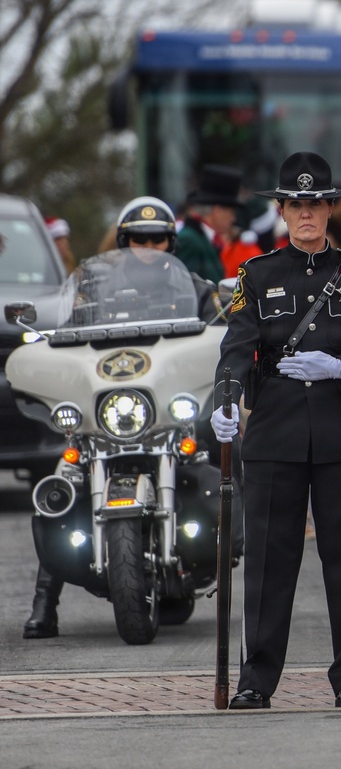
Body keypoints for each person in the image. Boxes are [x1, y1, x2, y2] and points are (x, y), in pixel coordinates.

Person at [210, 151, 341, 710]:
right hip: (277, 436)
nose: (307, 215)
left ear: (330, 207)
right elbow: (235, 351)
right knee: (269, 564)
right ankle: (256, 680)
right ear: (284, 210)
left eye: (316, 204)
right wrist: (224, 402)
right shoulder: (258, 274)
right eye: (297, 205)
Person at [23, 196, 225, 639]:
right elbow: (64, 333)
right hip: (111, 408)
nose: (147, 245)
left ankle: (239, 551)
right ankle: (43, 606)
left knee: (226, 447)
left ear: (171, 241)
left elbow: (219, 332)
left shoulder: (194, 287)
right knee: (63, 482)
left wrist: (224, 324)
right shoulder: (92, 288)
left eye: (157, 238)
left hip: (167, 409)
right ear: (124, 240)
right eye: (138, 238)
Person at [176, 164, 243, 283]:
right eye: (231, 212)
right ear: (217, 211)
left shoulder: (202, 238)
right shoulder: (190, 240)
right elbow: (187, 288)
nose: (233, 219)